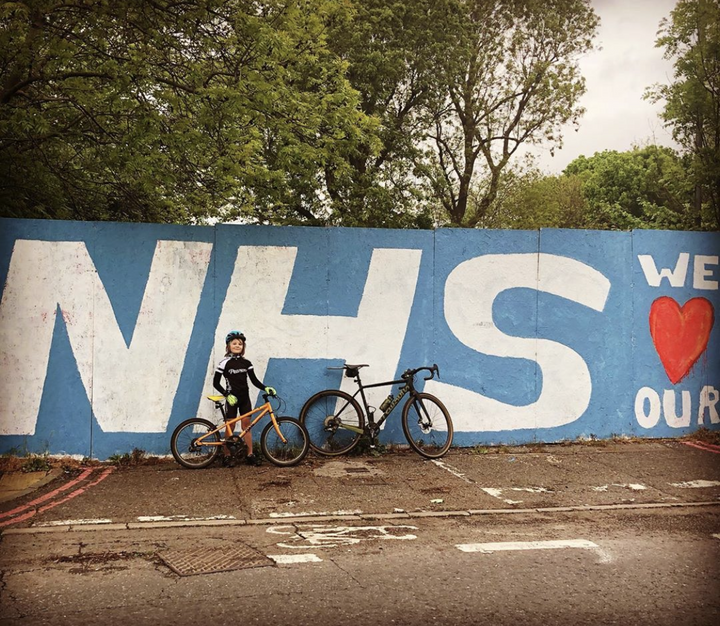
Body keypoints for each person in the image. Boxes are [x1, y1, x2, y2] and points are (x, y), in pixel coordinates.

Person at [213, 330, 276, 466]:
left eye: (240, 344)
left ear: (243, 347)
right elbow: (215, 383)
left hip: (244, 398)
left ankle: (250, 454)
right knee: (230, 426)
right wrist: (226, 395)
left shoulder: (246, 363)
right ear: (228, 346)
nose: (237, 345)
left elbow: (254, 380)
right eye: (234, 343)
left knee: (246, 426)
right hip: (232, 399)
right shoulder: (224, 363)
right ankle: (227, 456)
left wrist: (265, 388)